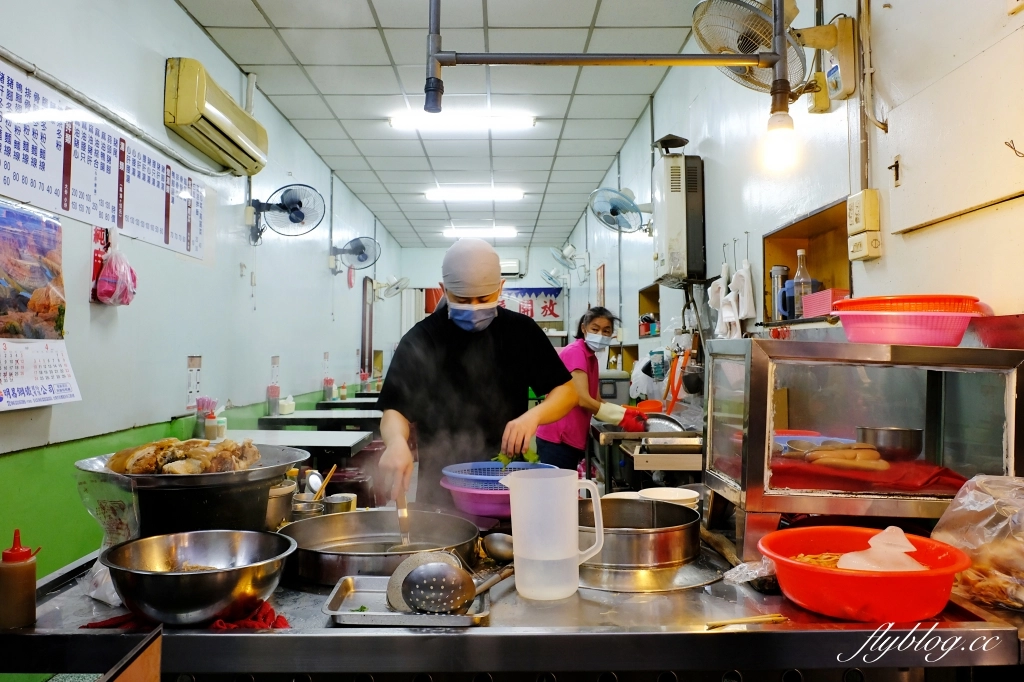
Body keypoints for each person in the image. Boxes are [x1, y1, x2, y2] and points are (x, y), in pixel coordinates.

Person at [376, 238, 578, 505]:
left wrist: (533, 417)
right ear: (443, 290)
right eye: (461, 299)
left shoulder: (522, 332)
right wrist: (395, 443)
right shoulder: (422, 338)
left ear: (500, 288)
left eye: (484, 299)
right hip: (440, 488)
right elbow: (395, 409)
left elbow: (567, 391)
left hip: (508, 482)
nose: (473, 308)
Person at [535, 307, 648, 470]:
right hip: (558, 438)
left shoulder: (590, 357)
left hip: (568, 438)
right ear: (583, 328)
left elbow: (596, 400)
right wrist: (622, 419)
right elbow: (582, 399)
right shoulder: (576, 353)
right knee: (557, 492)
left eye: (606, 331)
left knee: (563, 490)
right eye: (595, 329)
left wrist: (627, 412)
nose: (601, 335)